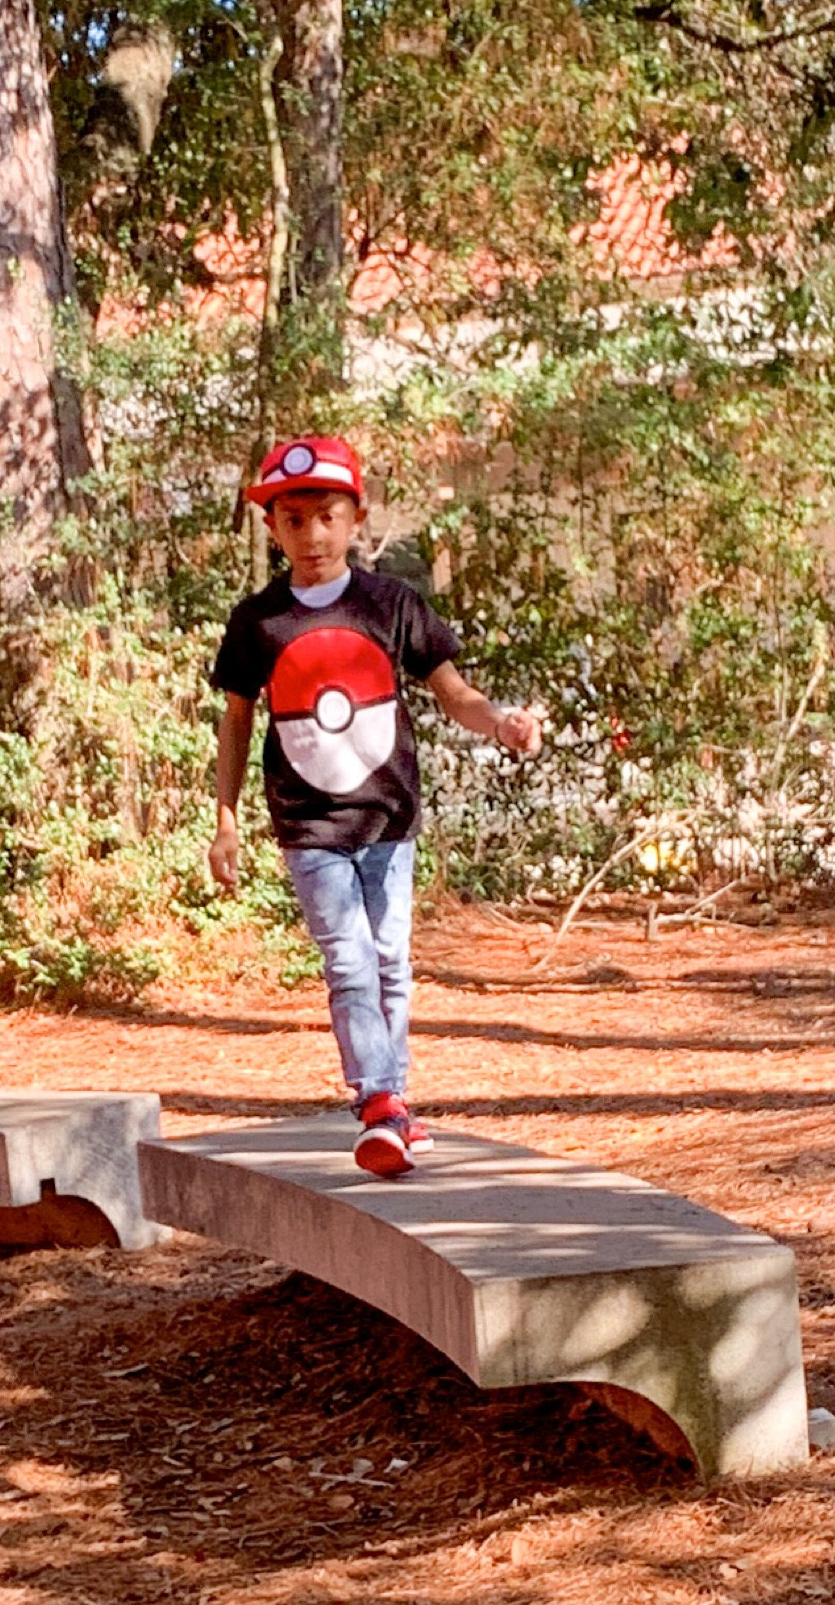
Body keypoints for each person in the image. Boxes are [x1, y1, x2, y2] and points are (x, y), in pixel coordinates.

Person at [208, 436, 542, 1178]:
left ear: (356, 518)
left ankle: (395, 1103)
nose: (312, 534)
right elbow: (235, 719)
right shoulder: (258, 622)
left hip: (388, 820)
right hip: (309, 826)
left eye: (327, 516)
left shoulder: (390, 605)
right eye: (293, 520)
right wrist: (225, 818)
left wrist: (503, 723)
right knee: (350, 961)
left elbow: (453, 693)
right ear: (272, 529)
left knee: (390, 961)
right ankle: (379, 1101)